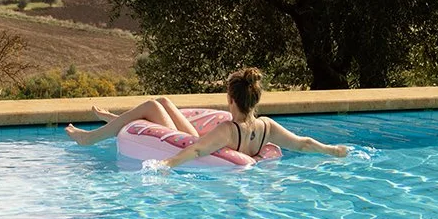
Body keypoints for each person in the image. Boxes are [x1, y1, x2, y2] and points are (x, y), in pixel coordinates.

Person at [64, 66, 349, 167]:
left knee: (153, 103)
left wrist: (166, 163)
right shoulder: (266, 127)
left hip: (190, 139)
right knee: (162, 101)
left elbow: (197, 149)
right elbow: (302, 143)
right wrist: (331, 150)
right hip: (205, 138)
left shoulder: (228, 129)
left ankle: (89, 139)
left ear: (230, 99)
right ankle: (115, 120)